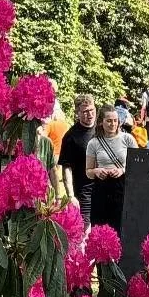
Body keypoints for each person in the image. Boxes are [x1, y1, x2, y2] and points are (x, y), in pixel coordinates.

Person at [86, 104, 131, 227]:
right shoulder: (93, 143)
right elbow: (88, 172)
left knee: (120, 227)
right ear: (101, 122)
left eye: (115, 121)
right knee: (99, 225)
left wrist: (122, 170)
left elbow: (138, 167)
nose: (113, 124)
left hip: (122, 188)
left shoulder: (128, 139)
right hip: (101, 188)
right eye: (109, 121)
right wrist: (96, 171)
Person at [59, 95, 97, 224]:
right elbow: (66, 168)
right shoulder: (71, 136)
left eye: (92, 110)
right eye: (85, 112)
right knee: (84, 229)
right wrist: (70, 195)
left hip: (105, 189)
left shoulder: (103, 129)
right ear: (78, 113)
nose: (90, 114)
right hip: (83, 192)